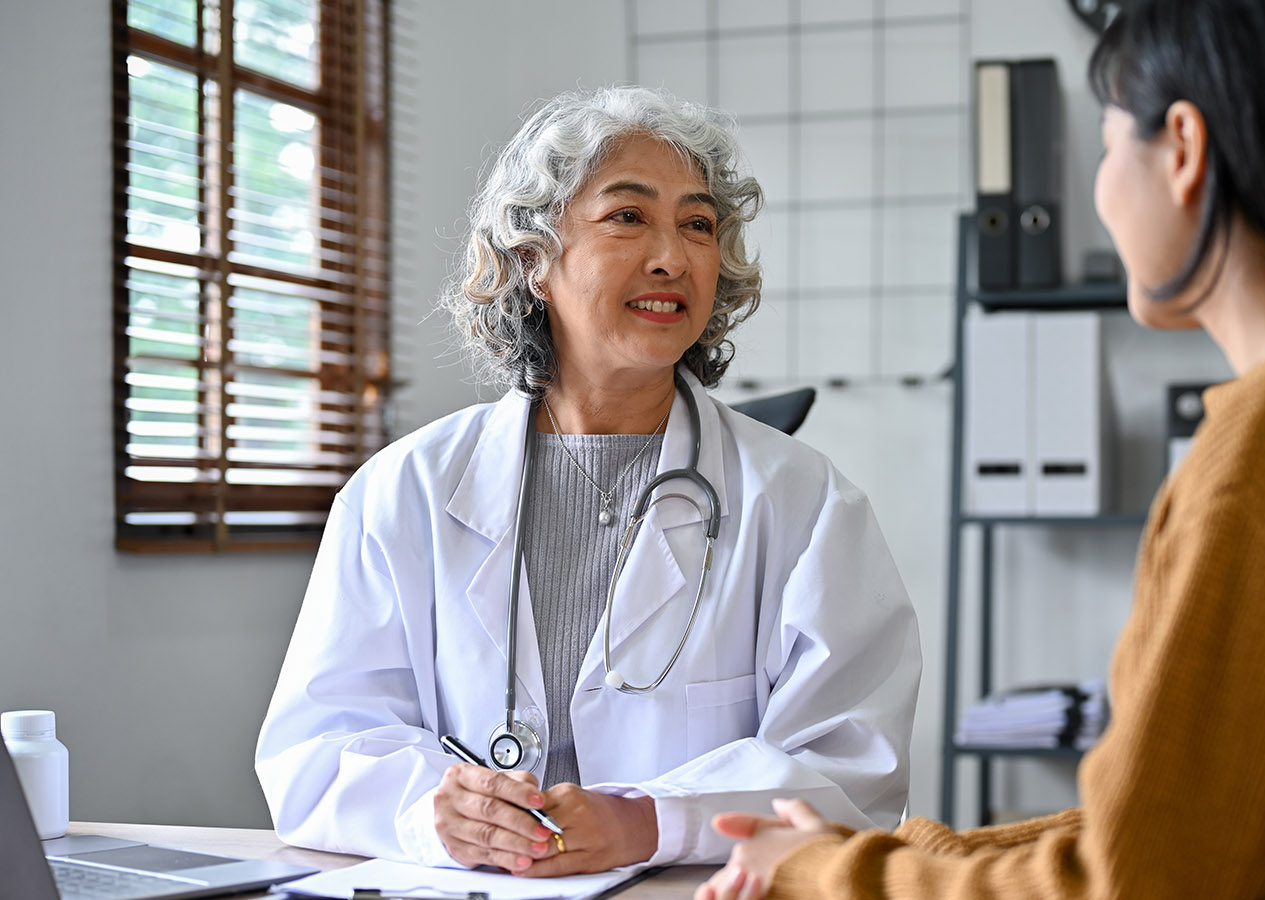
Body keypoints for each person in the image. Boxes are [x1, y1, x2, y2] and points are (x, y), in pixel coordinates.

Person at [698, 0, 1265, 897]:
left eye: (1106, 142)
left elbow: (1128, 884)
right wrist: (896, 858)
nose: (1098, 191)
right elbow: (1184, 821)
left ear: (1183, 149)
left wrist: (828, 876)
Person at [254, 85, 921, 878]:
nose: (672, 256)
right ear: (534, 260)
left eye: (699, 225)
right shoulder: (404, 491)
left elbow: (852, 766)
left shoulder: (805, 502)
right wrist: (437, 812)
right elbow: (317, 749)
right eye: (628, 216)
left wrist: (652, 822)